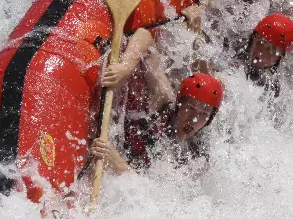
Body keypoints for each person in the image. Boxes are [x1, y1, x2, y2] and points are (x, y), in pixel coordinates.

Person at [90, 27, 224, 174]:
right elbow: (145, 36)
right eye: (190, 108)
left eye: (204, 114)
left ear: (210, 119)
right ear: (179, 103)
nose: (194, 119)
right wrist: (126, 67)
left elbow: (158, 188)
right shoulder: (164, 99)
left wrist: (119, 164)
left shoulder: (198, 159)